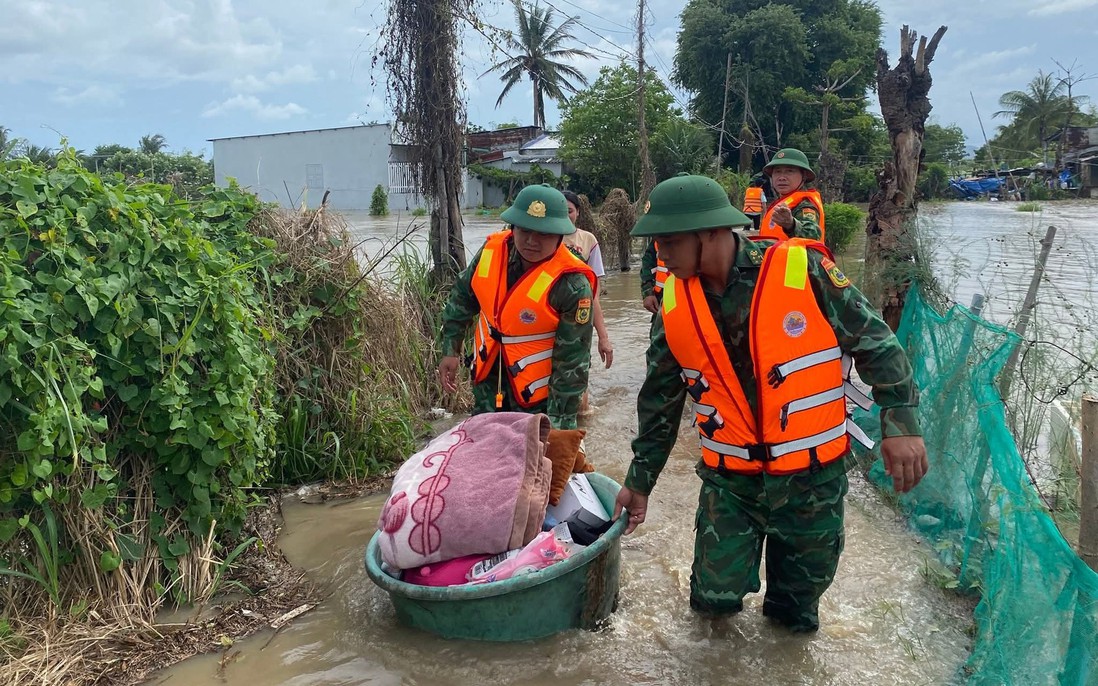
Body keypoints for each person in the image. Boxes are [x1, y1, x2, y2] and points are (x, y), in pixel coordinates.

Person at [613, 174, 927, 632]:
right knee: (711, 605)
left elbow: (876, 342)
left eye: (670, 242)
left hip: (811, 481)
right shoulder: (673, 303)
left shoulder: (803, 270)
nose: (660, 254)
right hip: (730, 481)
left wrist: (902, 425)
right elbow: (660, 401)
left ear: (711, 233)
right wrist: (639, 481)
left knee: (794, 615)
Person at [437, 184, 596, 430]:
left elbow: (572, 365)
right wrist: (451, 349)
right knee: (484, 446)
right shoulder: (492, 253)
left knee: (534, 458)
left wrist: (560, 426)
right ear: (513, 227)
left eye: (543, 233)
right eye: (524, 230)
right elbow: (462, 298)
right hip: (488, 382)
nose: (531, 241)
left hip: (536, 398)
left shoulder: (572, 285)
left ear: (559, 235)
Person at [561, 190, 614, 371]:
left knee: (579, 382)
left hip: (578, 322)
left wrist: (603, 337)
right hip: (547, 320)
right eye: (560, 211)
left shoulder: (587, 240)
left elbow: (594, 294)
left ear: (578, 212)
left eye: (569, 211)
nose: (565, 216)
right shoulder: (545, 239)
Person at [758, 148, 825, 243]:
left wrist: (791, 224)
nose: (781, 177)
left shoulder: (804, 205)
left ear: (804, 175)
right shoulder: (781, 201)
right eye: (777, 171)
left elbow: (812, 233)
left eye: (789, 171)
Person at [639, 238, 668, 316]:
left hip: (693, 296)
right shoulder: (658, 235)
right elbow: (648, 264)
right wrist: (648, 293)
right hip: (661, 299)